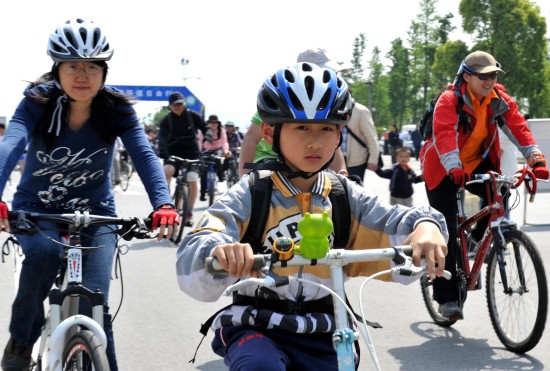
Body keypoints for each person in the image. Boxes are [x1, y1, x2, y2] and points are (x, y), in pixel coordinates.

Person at [176, 62, 448, 370]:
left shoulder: (345, 196)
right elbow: (201, 241)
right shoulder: (252, 193)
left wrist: (427, 226)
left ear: (339, 133)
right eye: (302, 127)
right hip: (256, 326)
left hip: (327, 330)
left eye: (327, 128)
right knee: (259, 365)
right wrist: (218, 250)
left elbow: (397, 221)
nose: (315, 141)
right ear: (270, 131)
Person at [0, 18, 180, 371]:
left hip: (96, 212)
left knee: (96, 304)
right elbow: (11, 143)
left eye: (92, 66)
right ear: (57, 69)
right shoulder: (36, 102)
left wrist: (164, 203)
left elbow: (144, 155)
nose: (82, 75)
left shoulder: (117, 110)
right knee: (44, 254)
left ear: (104, 71)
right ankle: (21, 341)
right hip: (38, 210)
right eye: (72, 66)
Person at [420, 50, 549, 319]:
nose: (490, 81)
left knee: (500, 195)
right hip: (443, 167)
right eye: (484, 76)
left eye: (493, 75)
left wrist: (535, 158)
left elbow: (518, 127)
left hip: (477, 162)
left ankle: (479, 238)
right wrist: (454, 167)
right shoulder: (450, 99)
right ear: (467, 76)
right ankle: (446, 297)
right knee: (447, 230)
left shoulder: (497, 98)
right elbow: (444, 134)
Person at [238, 48, 349, 178]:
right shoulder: (282, 103)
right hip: (269, 161)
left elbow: (334, 145)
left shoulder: (326, 106)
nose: (333, 78)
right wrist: (243, 176)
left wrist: (342, 173)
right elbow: (250, 139)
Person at [157, 91, 205, 225]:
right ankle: (165, 204)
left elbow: (205, 127)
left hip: (192, 153)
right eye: (175, 104)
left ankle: (189, 211)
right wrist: (162, 151)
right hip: (173, 153)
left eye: (180, 104)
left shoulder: (193, 116)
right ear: (170, 106)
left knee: (192, 179)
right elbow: (161, 138)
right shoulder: (166, 120)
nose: (178, 106)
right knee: (167, 171)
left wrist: (207, 136)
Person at [344, 100, 380, 181]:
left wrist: (373, 159)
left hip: (355, 163)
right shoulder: (331, 108)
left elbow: (371, 136)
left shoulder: (361, 111)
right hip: (333, 162)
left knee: (354, 192)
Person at [198, 115, 231, 201]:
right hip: (206, 150)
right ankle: (202, 194)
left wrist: (226, 151)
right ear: (208, 123)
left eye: (215, 122)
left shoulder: (221, 130)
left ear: (217, 123)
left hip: (217, 150)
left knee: (220, 164)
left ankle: (221, 176)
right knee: (203, 173)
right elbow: (199, 141)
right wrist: (198, 152)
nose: (213, 124)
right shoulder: (203, 130)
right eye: (211, 122)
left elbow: (224, 142)